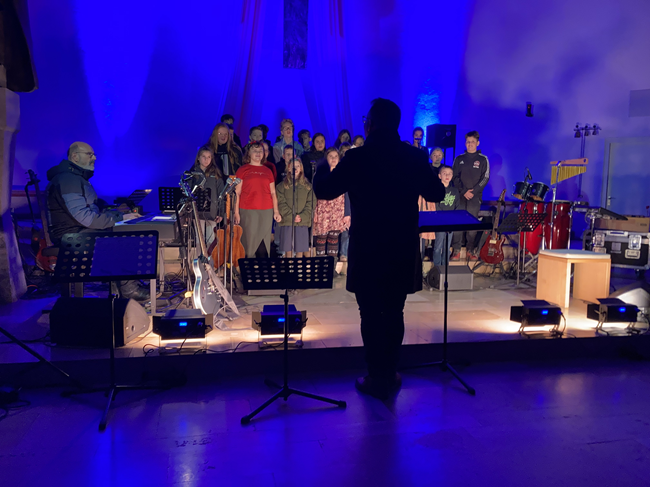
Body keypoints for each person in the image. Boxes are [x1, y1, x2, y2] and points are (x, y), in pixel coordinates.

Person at [314, 98, 444, 399]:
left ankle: (375, 375)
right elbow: (437, 192)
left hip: (368, 247)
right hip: (401, 246)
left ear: (369, 125)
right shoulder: (413, 156)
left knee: (370, 313)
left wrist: (321, 167)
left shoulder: (357, 157)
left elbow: (325, 190)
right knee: (395, 311)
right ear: (396, 124)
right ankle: (390, 372)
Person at [46, 141, 148, 300]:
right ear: (75, 157)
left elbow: (89, 211)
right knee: (120, 238)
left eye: (94, 155)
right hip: (71, 235)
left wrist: (115, 214)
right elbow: (85, 218)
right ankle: (129, 289)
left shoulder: (75, 178)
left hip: (76, 230)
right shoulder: (68, 179)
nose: (94, 158)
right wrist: (119, 218)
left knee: (121, 233)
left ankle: (125, 285)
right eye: (89, 154)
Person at [233, 142, 281, 258]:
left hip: (266, 210)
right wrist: (236, 212)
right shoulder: (242, 170)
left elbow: (273, 192)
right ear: (249, 153)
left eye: (260, 151)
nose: (258, 153)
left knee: (264, 243)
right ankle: (248, 267)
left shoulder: (268, 171)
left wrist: (276, 211)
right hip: (248, 210)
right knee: (249, 241)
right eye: (255, 151)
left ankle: (262, 267)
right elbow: (237, 193)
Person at [451, 131, 489, 261]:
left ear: (477, 143)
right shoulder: (459, 159)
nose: (470, 144)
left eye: (472, 142)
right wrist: (464, 191)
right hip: (460, 196)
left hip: (475, 197)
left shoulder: (483, 159)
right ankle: (456, 249)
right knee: (458, 223)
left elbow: (485, 178)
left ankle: (470, 249)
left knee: (472, 224)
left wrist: (473, 191)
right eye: (468, 141)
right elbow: (454, 177)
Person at [313, 148, 346, 260]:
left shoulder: (342, 174)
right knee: (321, 238)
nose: (333, 159)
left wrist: (346, 214)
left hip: (337, 210)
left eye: (336, 156)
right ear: (326, 158)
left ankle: (332, 266)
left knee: (334, 238)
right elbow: (315, 193)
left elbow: (346, 195)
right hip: (323, 210)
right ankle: (321, 266)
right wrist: (315, 211)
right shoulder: (320, 174)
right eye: (330, 156)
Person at [275, 158, 313, 257]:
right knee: (288, 249)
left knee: (300, 249)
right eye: (293, 166)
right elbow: (280, 202)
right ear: (288, 168)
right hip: (287, 221)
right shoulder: (281, 186)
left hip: (302, 221)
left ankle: (298, 266)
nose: (295, 168)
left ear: (301, 168)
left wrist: (302, 216)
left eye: (297, 166)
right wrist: (291, 216)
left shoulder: (308, 186)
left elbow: (311, 203)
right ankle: (289, 266)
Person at [188, 146, 225, 247]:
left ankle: (210, 258)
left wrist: (221, 213)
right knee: (198, 239)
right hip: (197, 213)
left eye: (209, 157)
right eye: (203, 157)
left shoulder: (216, 174)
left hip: (212, 213)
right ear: (198, 158)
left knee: (211, 240)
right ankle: (199, 257)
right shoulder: (192, 174)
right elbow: (188, 195)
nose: (206, 160)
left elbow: (221, 195)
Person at [433, 166, 461, 266]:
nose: (447, 175)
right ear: (439, 176)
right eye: (444, 173)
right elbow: (436, 206)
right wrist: (442, 219)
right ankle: (437, 268)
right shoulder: (436, 190)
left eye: (449, 173)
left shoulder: (455, 191)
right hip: (440, 222)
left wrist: (453, 219)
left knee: (447, 247)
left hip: (450, 222)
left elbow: (457, 206)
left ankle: (445, 267)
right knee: (438, 246)